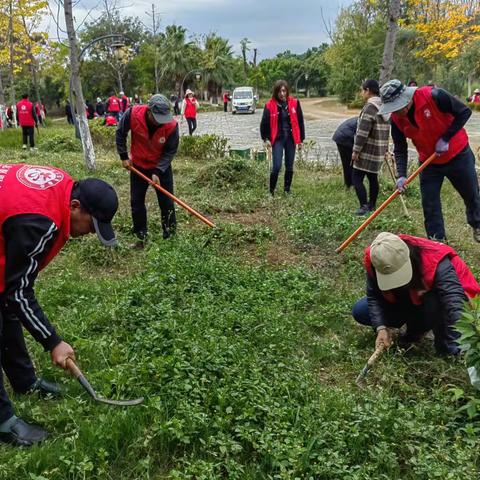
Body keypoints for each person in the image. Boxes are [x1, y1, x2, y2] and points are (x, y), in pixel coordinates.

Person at [0, 163, 118, 446]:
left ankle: (24, 381)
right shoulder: (39, 221)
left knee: (7, 309)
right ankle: (3, 422)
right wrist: (53, 342)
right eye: (92, 225)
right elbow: (18, 291)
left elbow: (11, 292)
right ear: (75, 206)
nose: (90, 233)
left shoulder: (63, 188)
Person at [379, 79, 480, 242]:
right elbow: (400, 148)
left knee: (471, 195)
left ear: (406, 99)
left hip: (458, 155)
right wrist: (401, 175)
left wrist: (446, 138)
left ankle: (477, 224)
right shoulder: (396, 119)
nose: (396, 112)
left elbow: (464, 112)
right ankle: (437, 243)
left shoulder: (434, 96)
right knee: (430, 204)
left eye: (397, 108)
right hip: (429, 162)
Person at [352, 232, 480, 356]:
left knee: (435, 302)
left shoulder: (435, 259)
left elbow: (455, 302)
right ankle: (414, 328)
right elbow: (374, 295)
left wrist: (463, 344)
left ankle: (430, 334)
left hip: (435, 301)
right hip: (410, 299)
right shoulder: (378, 257)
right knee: (361, 311)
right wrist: (381, 327)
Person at [116, 94, 179, 246]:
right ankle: (140, 236)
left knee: (167, 202)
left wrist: (158, 171)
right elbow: (120, 132)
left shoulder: (171, 125)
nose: (160, 122)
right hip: (138, 165)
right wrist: (124, 156)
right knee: (136, 202)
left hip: (160, 167)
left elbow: (170, 151)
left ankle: (170, 235)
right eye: (157, 118)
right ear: (149, 112)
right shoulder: (132, 114)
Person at [351, 79, 390, 215]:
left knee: (356, 178)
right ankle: (372, 205)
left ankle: (364, 206)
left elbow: (362, 132)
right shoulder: (384, 107)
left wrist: (356, 151)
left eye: (363, 90)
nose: (362, 93)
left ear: (367, 90)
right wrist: (385, 149)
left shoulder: (370, 107)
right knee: (373, 178)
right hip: (378, 150)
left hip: (367, 151)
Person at [260, 79, 305, 195]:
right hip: (278, 139)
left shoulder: (295, 103)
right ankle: (271, 191)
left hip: (290, 138)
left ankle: (287, 189)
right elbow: (264, 124)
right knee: (277, 166)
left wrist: (301, 140)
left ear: (287, 91)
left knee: (289, 166)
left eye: (284, 91)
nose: (282, 94)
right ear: (276, 92)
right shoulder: (270, 106)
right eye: (280, 91)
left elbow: (300, 122)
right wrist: (266, 139)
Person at [332, 117, 358, 189]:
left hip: (342, 136)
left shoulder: (364, 119)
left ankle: (350, 184)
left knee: (349, 163)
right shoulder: (366, 122)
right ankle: (350, 185)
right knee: (349, 163)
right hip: (344, 138)